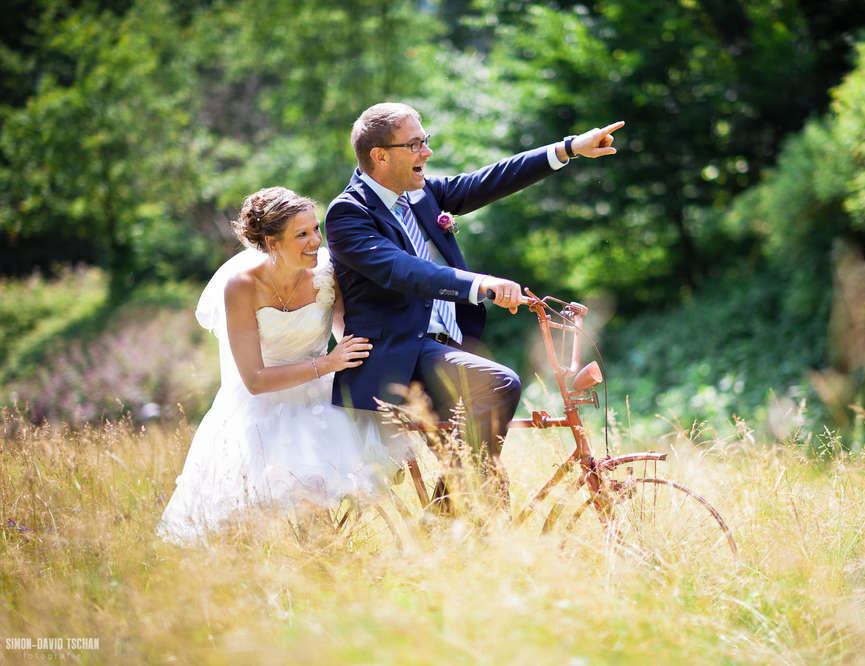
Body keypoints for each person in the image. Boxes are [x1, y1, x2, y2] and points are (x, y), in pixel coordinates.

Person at [325, 102, 622, 492]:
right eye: (415, 145)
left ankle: (458, 524)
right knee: (498, 383)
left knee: (489, 486)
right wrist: (479, 284)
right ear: (379, 156)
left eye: (425, 141)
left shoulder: (420, 194)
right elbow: (402, 270)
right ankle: (448, 517)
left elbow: (488, 180)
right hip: (399, 357)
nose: (426, 153)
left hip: (446, 351)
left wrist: (568, 148)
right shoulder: (349, 214)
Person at [158, 186, 406, 543]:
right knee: (245, 521)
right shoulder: (241, 287)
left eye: (316, 229)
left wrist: (376, 367)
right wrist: (328, 363)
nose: (315, 242)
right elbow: (255, 380)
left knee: (319, 495)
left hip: (320, 398)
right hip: (263, 404)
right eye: (302, 234)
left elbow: (343, 331)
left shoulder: (327, 272)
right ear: (272, 243)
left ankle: (323, 567)